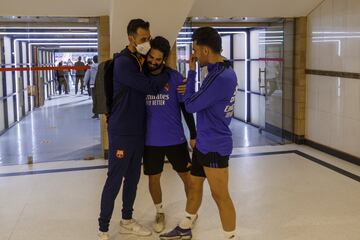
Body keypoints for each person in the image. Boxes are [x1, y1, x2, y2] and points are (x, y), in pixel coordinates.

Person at [160, 27, 238, 240]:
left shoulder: (220, 77)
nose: (193, 55)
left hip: (215, 144)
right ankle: (185, 227)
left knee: (220, 196)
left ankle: (230, 237)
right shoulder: (218, 71)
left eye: (195, 50)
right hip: (204, 142)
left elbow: (191, 105)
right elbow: (197, 98)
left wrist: (191, 75)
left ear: (205, 50)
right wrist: (193, 88)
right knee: (194, 185)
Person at [97, 19, 169, 240]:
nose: (147, 42)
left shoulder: (139, 61)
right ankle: (103, 228)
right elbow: (150, 87)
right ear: (131, 39)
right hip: (121, 132)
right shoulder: (124, 64)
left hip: (138, 132)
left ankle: (127, 220)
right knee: (115, 179)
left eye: (148, 38)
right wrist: (167, 74)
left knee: (132, 178)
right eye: (143, 39)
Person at [143, 36, 197, 233]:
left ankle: (190, 213)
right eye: (151, 58)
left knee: (188, 178)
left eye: (158, 59)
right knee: (153, 179)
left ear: (164, 59)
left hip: (175, 139)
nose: (154, 62)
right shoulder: (140, 77)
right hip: (150, 141)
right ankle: (159, 211)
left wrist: (193, 133)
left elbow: (185, 108)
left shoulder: (175, 78)